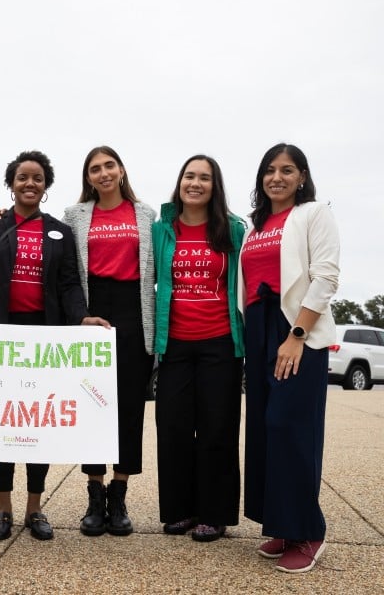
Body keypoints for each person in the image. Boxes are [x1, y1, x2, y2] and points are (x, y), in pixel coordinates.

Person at [0, 150, 109, 542]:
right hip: (2, 335)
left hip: (45, 337)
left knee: (40, 422)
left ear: (46, 185)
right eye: (22, 177)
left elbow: (69, 283)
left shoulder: (59, 231)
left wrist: (81, 317)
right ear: (11, 183)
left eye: (37, 178)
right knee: (3, 421)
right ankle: (3, 506)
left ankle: (35, 508)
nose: (30, 184)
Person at [240, 143, 339, 573]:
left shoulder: (314, 213)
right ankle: (281, 524)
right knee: (265, 429)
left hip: (295, 328)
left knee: (290, 426)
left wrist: (297, 334)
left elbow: (326, 275)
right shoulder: (254, 225)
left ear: (302, 176)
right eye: (269, 170)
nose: (276, 177)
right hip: (259, 327)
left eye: (287, 170)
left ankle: (308, 531)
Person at [61, 145, 155, 537]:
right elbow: (65, 268)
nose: (103, 174)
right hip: (92, 313)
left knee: (129, 408)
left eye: (109, 166)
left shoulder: (147, 215)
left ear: (121, 170)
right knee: (92, 405)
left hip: (134, 313)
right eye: (95, 169)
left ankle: (119, 493)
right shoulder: (74, 216)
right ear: (88, 177)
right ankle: (94, 494)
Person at [152, 155, 245, 542]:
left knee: (217, 429)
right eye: (189, 176)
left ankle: (215, 513)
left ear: (214, 186)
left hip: (220, 343)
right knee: (172, 428)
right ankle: (180, 510)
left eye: (204, 178)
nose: (195, 183)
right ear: (179, 182)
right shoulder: (161, 230)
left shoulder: (234, 229)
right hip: (173, 344)